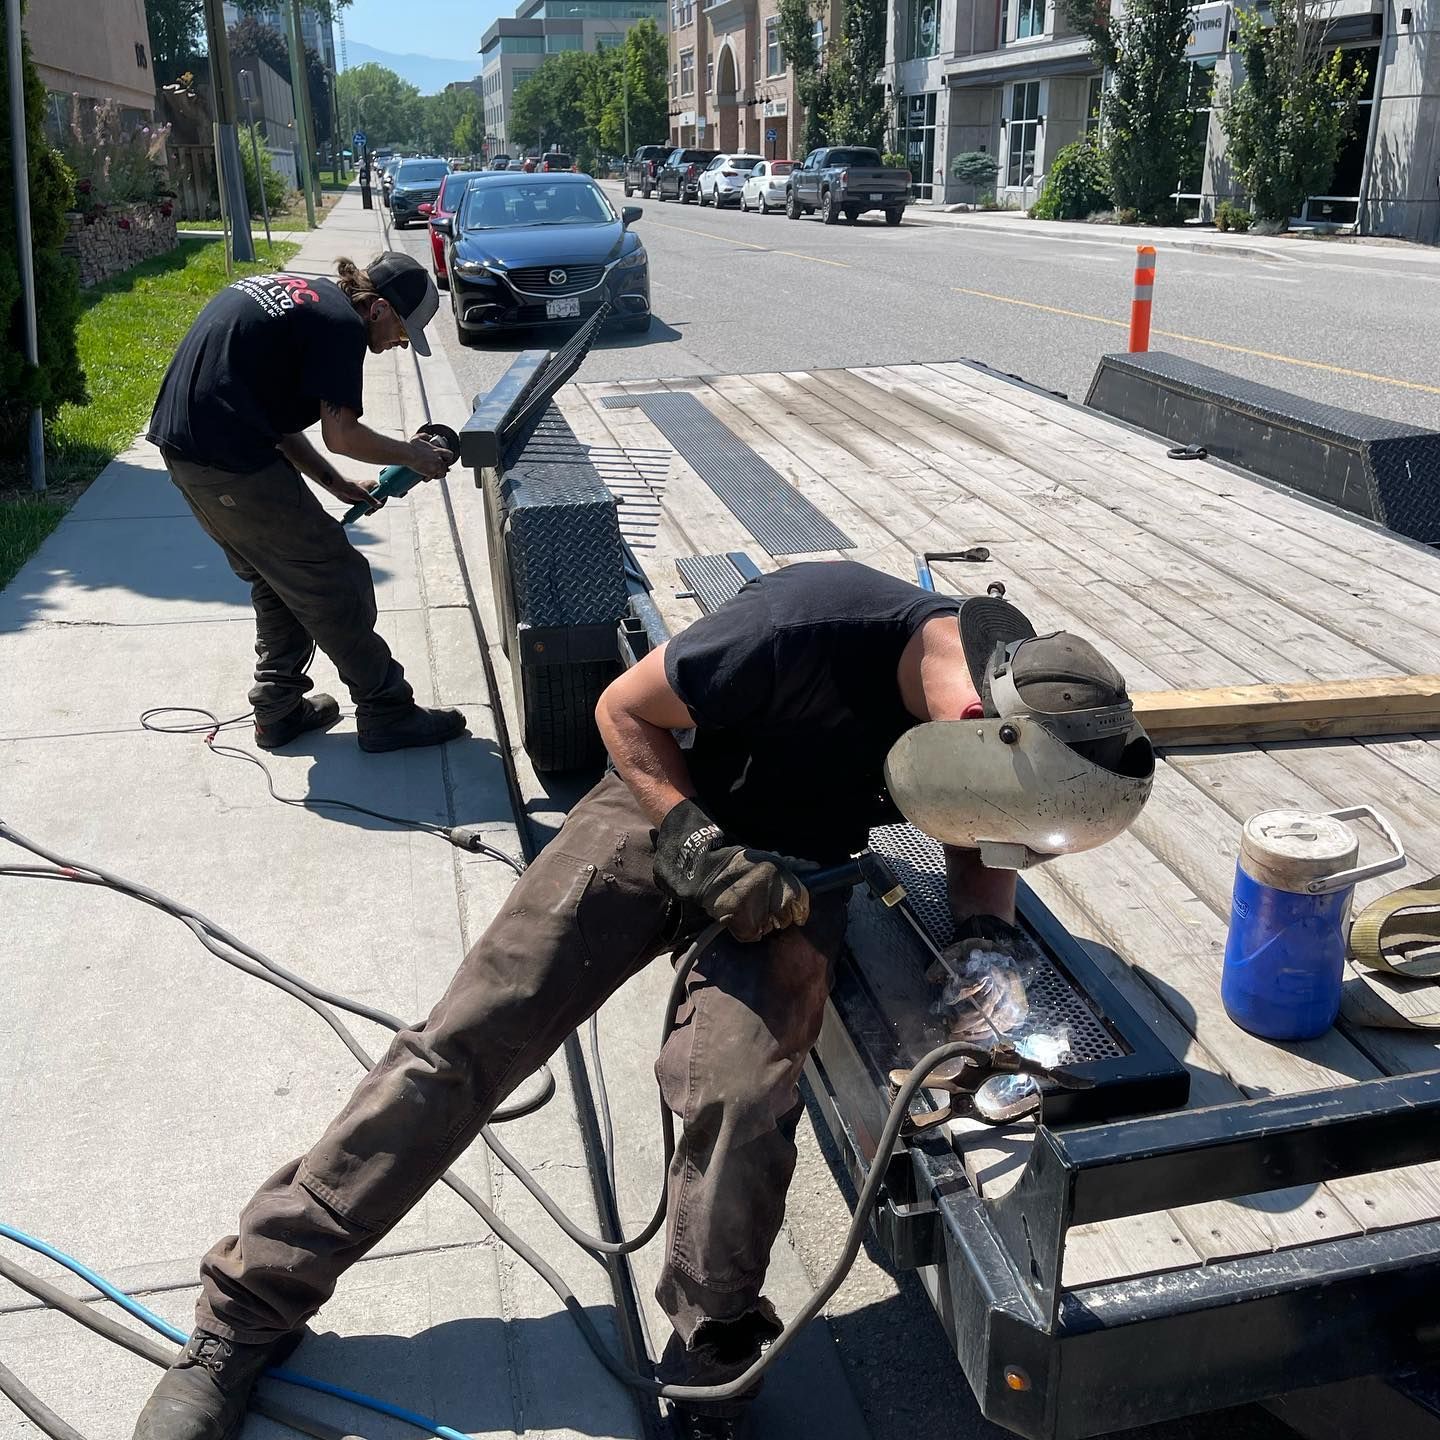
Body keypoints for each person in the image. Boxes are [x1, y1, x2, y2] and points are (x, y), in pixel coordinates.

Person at [131, 561, 1154, 1440]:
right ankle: (247, 1309)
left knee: (741, 1100)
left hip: (800, 871)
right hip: (665, 808)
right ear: (973, 723)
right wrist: (698, 851)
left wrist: (983, 966)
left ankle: (713, 1352)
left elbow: (985, 852)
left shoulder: (1010, 710)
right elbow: (622, 709)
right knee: (467, 1044)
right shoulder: (799, 627)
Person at [147, 252, 468, 755]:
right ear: (379, 308)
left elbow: (274, 417)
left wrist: (332, 482)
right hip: (231, 463)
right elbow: (342, 433)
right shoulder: (341, 325)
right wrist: (416, 456)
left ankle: (277, 711)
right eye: (403, 333)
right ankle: (387, 710)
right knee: (336, 580)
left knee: (278, 580)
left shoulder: (308, 298)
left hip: (191, 456)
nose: (397, 346)